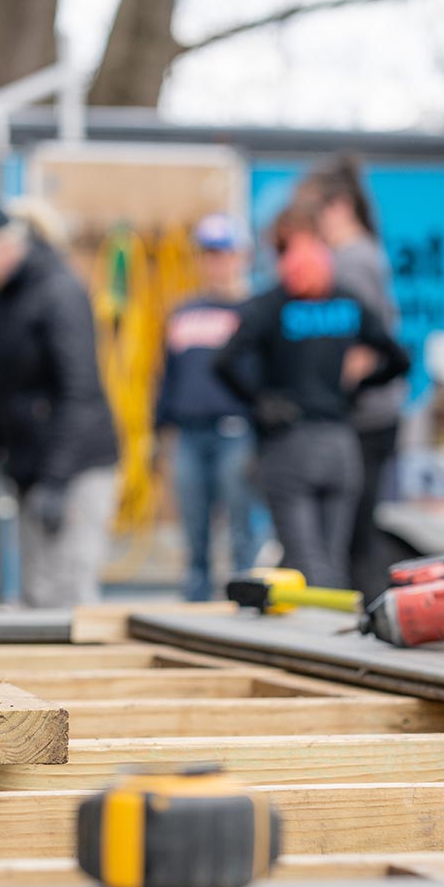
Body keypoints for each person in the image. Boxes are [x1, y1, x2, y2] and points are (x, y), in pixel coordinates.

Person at [0, 187, 119, 608]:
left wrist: (58, 482)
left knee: (68, 594)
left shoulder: (58, 291)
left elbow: (80, 393)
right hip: (31, 467)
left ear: (0, 247)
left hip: (76, 468)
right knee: (36, 595)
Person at [213, 212, 410, 589]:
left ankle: (314, 641)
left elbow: (224, 361)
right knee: (331, 563)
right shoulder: (346, 302)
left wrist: (259, 402)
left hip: (291, 446)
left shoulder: (273, 303)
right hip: (340, 444)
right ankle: (327, 635)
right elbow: (398, 359)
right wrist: (355, 389)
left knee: (307, 565)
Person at [297, 155, 404, 598]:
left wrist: (320, 396)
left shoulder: (350, 262)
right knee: (355, 534)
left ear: (338, 207)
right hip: (375, 417)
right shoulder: (365, 254)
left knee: (350, 540)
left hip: (362, 420)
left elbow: (360, 349)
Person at [154, 215, 265, 602]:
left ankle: (245, 602)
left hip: (236, 430)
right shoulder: (183, 313)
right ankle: (196, 604)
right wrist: (159, 428)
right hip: (188, 433)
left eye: (223, 253)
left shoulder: (254, 311)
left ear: (242, 256)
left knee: (240, 527)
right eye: (209, 254)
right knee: (194, 530)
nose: (216, 263)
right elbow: (167, 376)